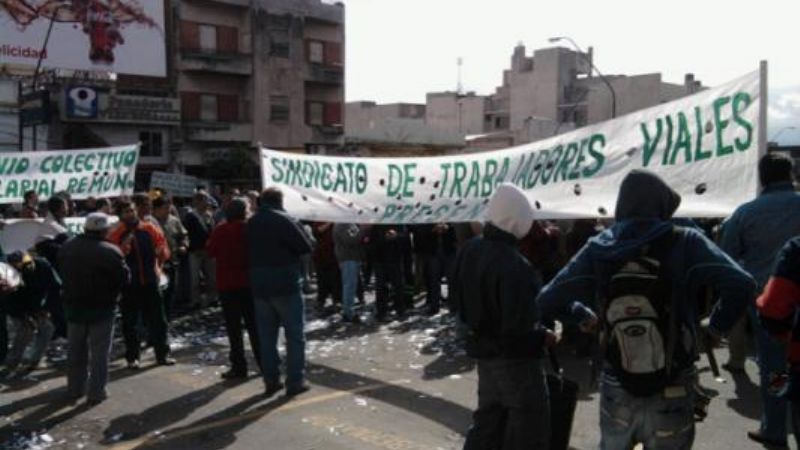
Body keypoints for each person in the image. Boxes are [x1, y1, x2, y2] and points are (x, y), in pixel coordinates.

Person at [538, 170, 754, 450]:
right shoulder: (686, 241)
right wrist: (714, 327)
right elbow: (742, 284)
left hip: (617, 381)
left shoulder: (599, 246)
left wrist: (583, 315)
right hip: (673, 380)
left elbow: (547, 299)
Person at [452, 183, 558, 450]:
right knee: (528, 424)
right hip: (515, 361)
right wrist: (543, 337)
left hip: (483, 352)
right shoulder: (514, 264)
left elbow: (457, 300)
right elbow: (519, 328)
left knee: (488, 418)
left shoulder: (470, 249)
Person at [719, 153, 800, 448]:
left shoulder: (745, 213)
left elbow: (726, 259)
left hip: (768, 303)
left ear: (762, 177)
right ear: (791, 174)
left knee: (775, 368)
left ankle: (775, 430)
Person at [246, 188, 312, 397]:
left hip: (259, 285)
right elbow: (306, 247)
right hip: (285, 284)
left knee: (267, 337)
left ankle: (271, 379)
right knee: (294, 335)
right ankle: (295, 380)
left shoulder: (252, 222)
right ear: (280, 201)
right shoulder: (286, 219)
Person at [59, 213, 129, 405]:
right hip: (102, 309)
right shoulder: (110, 251)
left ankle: (75, 389)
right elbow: (124, 278)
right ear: (104, 230)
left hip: (74, 308)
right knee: (99, 354)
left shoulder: (68, 247)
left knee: (75, 351)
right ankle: (96, 392)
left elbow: (61, 273)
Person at [108, 200, 175, 369]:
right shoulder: (116, 233)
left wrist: (161, 252)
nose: (130, 214)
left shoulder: (149, 228)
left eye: (131, 210)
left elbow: (164, 248)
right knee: (130, 323)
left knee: (158, 320)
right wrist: (124, 246)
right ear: (120, 215)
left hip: (151, 281)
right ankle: (132, 357)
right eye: (126, 212)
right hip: (130, 285)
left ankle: (163, 354)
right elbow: (113, 257)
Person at [208, 198, 261, 379]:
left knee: (234, 328)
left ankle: (239, 366)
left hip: (227, 284)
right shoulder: (251, 229)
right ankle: (263, 362)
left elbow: (210, 251)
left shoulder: (220, 230)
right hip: (248, 282)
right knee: (254, 325)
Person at [756, 236, 800, 450]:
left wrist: (782, 334)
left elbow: (773, 307)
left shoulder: (797, 247)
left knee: (774, 370)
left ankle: (773, 430)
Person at [1, 251, 61, 377]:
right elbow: (9, 299)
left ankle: (34, 360)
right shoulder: (7, 273)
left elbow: (55, 288)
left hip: (37, 304)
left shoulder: (43, 265)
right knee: (25, 330)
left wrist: (46, 308)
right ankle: (12, 363)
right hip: (19, 306)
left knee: (47, 328)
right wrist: (23, 316)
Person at [152, 196, 189, 319]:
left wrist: (184, 245)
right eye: (165, 208)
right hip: (156, 262)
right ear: (156, 209)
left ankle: (167, 315)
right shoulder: (150, 222)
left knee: (171, 289)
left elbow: (183, 235)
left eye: (169, 207)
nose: (168, 210)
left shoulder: (174, 221)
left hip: (173, 260)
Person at [414, 223, 457, 315]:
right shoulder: (428, 216)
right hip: (433, 252)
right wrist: (433, 229)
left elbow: (456, 230)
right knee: (434, 280)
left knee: (452, 280)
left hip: (449, 251)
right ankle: (434, 307)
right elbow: (420, 231)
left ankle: (453, 307)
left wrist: (448, 227)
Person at [183, 192, 217, 308]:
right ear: (196, 202)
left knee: (212, 277)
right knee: (195, 279)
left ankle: (213, 298)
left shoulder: (210, 216)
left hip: (209, 251)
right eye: (201, 200)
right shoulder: (190, 216)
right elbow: (187, 234)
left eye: (205, 200)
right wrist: (193, 248)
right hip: (195, 251)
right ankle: (195, 300)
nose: (205, 203)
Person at [369, 225, 409, 321]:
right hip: (380, 259)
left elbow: (405, 237)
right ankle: (381, 312)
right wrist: (384, 237)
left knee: (398, 286)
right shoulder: (377, 224)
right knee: (381, 287)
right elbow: (372, 241)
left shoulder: (398, 222)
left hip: (395, 259)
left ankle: (400, 310)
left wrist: (396, 236)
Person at [333, 223, 368, 323]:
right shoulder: (341, 224)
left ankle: (348, 310)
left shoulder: (348, 223)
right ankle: (348, 313)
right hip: (348, 258)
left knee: (351, 286)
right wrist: (363, 229)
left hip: (352, 257)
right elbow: (351, 240)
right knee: (349, 286)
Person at [313, 222, 341, 315]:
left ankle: (336, 301)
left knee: (335, 280)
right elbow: (317, 231)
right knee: (322, 280)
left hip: (335, 255)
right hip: (321, 255)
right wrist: (330, 222)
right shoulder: (320, 220)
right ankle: (321, 300)